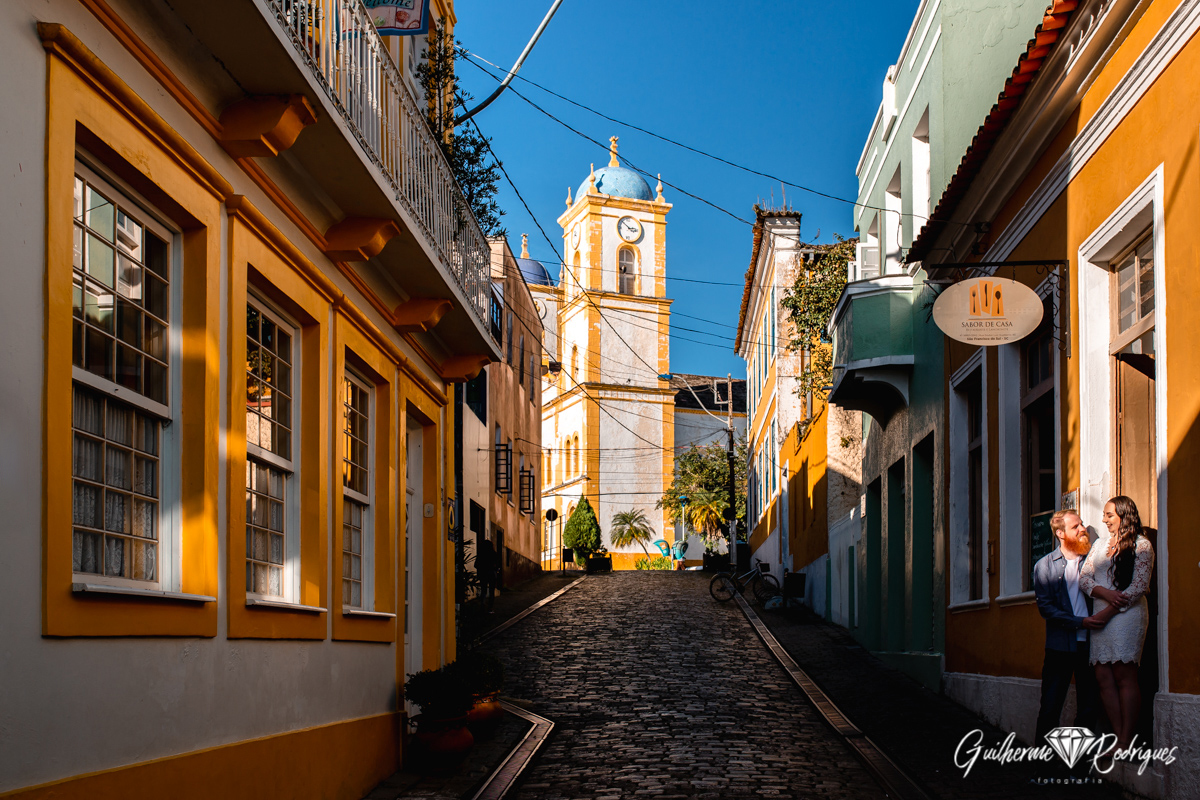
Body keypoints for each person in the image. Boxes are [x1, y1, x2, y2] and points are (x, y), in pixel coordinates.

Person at [1080, 496, 1155, 751]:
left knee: (1124, 674)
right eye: (1104, 514)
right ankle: (1117, 734)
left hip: (1127, 615)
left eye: (1109, 514)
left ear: (1124, 514)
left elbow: (1139, 586)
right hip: (1103, 610)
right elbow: (1084, 578)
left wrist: (1108, 611)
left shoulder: (1142, 545)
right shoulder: (1099, 545)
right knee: (1102, 675)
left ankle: (1126, 739)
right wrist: (1106, 594)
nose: (1104, 520)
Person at [1033, 509, 1103, 746]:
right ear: (1061, 533)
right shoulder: (1045, 566)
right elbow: (1047, 609)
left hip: (1091, 646)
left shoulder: (1093, 561)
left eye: (1082, 524)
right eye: (1076, 526)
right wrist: (1080, 622)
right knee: (1051, 707)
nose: (1083, 529)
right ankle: (1043, 767)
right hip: (1059, 647)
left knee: (1088, 706)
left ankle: (1078, 765)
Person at [476, 538, 500, 613]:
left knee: (483, 590)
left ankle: (482, 605)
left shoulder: (481, 554)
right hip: (492, 573)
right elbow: (498, 564)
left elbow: (476, 565)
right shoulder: (494, 553)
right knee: (491, 591)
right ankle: (490, 608)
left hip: (483, 573)